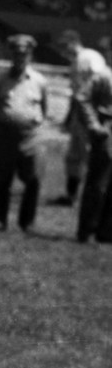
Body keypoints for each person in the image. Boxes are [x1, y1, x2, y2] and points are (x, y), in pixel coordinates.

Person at [0, 34, 48, 231]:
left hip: (31, 136)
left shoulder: (40, 81)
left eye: (25, 54)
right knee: (0, 179)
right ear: (11, 55)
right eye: (17, 54)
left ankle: (27, 222)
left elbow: (44, 109)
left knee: (34, 179)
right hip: (3, 136)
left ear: (30, 56)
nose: (21, 57)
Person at [53, 29, 112, 207]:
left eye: (64, 46)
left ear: (72, 43)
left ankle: (97, 196)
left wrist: (92, 118)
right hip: (81, 115)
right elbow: (77, 94)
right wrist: (70, 117)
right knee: (74, 156)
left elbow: (96, 87)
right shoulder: (76, 61)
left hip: (92, 115)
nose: (62, 50)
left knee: (91, 157)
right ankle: (71, 195)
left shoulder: (89, 57)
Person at [75, 66, 112, 242]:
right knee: (98, 184)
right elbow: (82, 97)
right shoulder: (104, 76)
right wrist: (93, 124)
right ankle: (87, 229)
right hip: (107, 131)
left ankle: (106, 232)